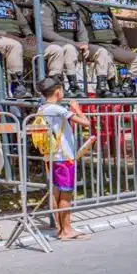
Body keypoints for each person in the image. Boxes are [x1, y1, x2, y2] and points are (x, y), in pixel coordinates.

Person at [37, 77, 91, 240]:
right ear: (57, 90)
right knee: (66, 194)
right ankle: (66, 230)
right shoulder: (57, 109)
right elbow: (86, 123)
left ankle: (61, 229)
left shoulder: (42, 108)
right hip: (64, 156)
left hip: (52, 156)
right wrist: (76, 108)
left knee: (56, 193)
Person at [77, 0, 137, 98]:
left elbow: (118, 30)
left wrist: (124, 43)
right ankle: (107, 87)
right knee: (105, 56)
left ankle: (126, 85)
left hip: (111, 44)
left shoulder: (106, 8)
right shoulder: (77, 7)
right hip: (93, 45)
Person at [40, 0, 87, 98]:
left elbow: (82, 30)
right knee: (68, 48)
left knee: (70, 48)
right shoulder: (46, 7)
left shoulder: (73, 8)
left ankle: (73, 86)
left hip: (71, 45)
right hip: (52, 43)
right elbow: (46, 33)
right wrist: (74, 43)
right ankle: (57, 85)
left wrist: (84, 43)